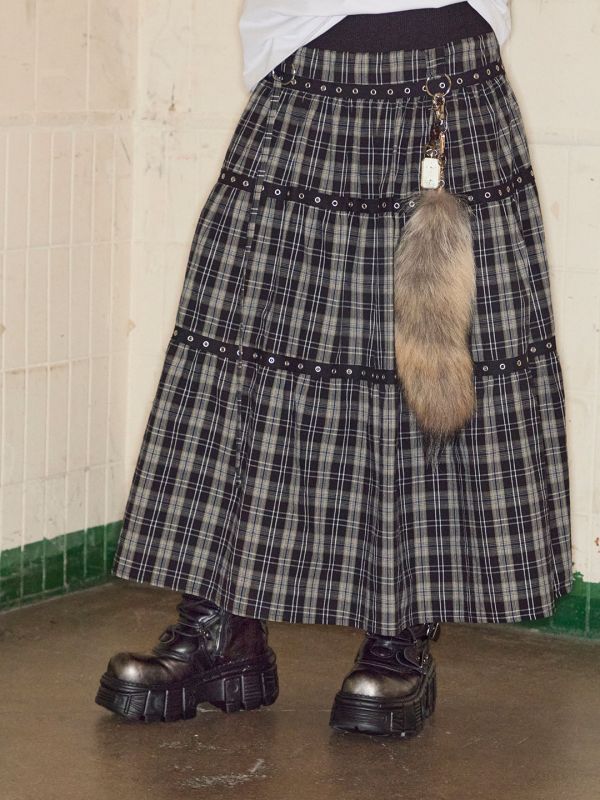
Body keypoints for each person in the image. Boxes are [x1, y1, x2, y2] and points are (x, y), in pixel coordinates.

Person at [95, 1, 573, 737]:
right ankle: (222, 626)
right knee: (244, 356)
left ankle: (399, 632)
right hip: (302, 74)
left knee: (422, 367)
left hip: (442, 83)